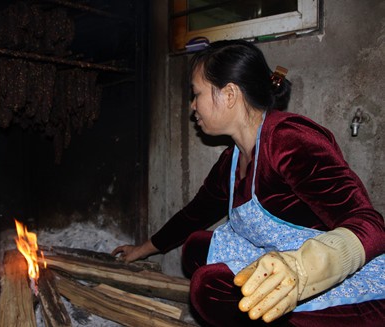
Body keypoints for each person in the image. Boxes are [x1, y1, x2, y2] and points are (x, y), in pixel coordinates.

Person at [112, 40, 385, 326]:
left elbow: (370, 224)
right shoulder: (232, 159)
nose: (193, 106)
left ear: (229, 94)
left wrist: (301, 269)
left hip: (331, 277)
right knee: (196, 246)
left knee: (206, 287)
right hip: (277, 260)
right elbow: (195, 214)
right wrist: (141, 249)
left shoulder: (289, 141)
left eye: (196, 94)